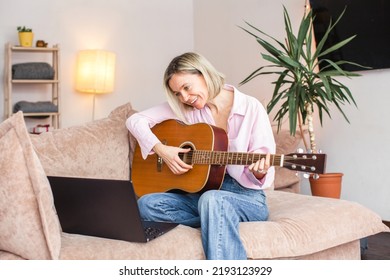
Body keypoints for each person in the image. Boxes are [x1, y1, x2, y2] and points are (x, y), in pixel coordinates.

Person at [126, 52, 275, 260]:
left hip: (246, 197)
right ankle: (214, 218)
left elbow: (265, 173)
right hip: (202, 194)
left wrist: (259, 171)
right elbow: (134, 121)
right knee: (147, 204)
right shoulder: (186, 110)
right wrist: (162, 150)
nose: (184, 98)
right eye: (177, 94)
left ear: (204, 74)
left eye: (187, 87)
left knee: (212, 200)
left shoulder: (251, 108)